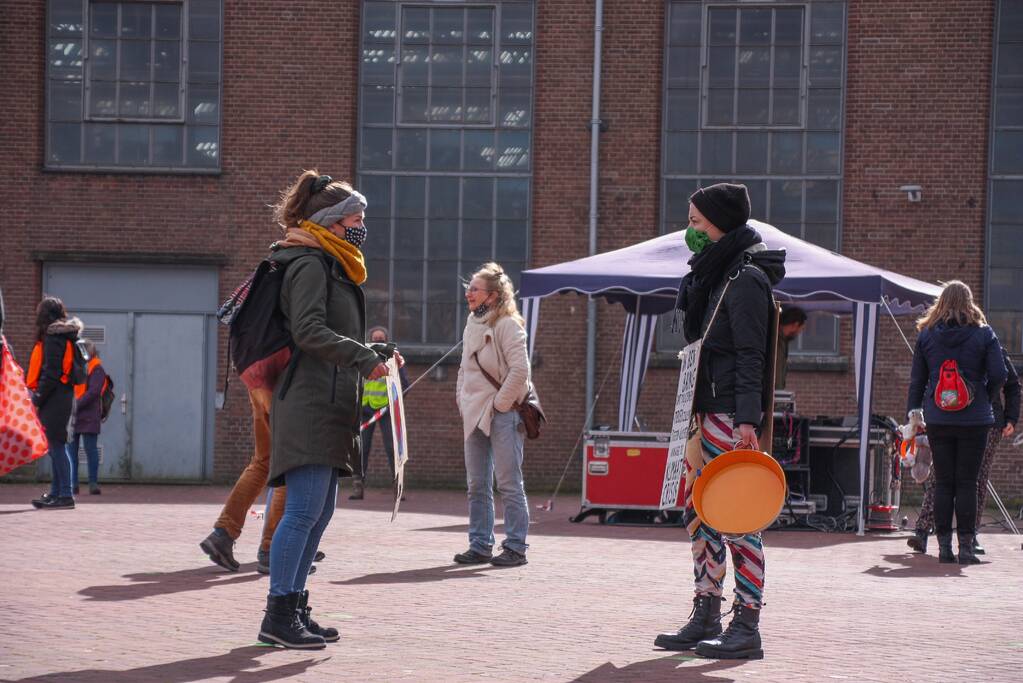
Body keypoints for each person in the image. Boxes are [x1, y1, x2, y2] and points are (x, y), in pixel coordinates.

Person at [257, 170, 401, 650]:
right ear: (333, 221)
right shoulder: (309, 262)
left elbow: (334, 335)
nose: (362, 226)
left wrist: (374, 355)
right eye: (357, 218)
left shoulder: (330, 261)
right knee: (301, 514)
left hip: (333, 399)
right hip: (309, 401)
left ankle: (294, 605)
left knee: (318, 515)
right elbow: (308, 331)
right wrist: (363, 357)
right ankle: (278, 615)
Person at [655, 183, 785, 660]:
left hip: (729, 415)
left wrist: (748, 419)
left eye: (696, 222)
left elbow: (753, 353)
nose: (690, 231)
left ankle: (747, 622)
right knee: (698, 513)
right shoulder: (715, 274)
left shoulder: (745, 278)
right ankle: (706, 609)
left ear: (720, 223)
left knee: (736, 516)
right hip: (702, 409)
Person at [905, 280, 1006, 565]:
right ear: (969, 301)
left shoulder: (926, 336)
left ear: (942, 302)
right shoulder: (984, 334)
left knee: (944, 483)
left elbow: (917, 381)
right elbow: (999, 372)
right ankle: (966, 548)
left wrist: (914, 413)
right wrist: (983, 393)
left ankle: (944, 549)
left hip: (938, 418)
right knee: (968, 483)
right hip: (975, 419)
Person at [454, 262, 532, 568]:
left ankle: (515, 546)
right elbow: (465, 368)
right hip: (474, 411)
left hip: (502, 414)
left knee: (508, 482)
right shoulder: (472, 324)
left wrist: (500, 405)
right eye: (469, 288)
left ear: (493, 295)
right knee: (476, 483)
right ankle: (479, 544)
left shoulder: (508, 325)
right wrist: (462, 398)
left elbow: (521, 370)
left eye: (474, 289)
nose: (468, 293)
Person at [907, 345, 1018, 556]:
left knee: (975, 478)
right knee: (944, 477)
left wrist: (1009, 416)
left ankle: (969, 536)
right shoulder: (950, 342)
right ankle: (925, 530)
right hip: (953, 417)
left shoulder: (990, 344)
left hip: (984, 421)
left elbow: (1009, 382)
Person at [27, 297, 84, 510]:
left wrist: (37, 397)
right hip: (64, 394)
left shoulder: (53, 337)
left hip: (56, 397)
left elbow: (51, 373)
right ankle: (56, 493)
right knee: (56, 446)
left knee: (57, 446)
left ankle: (65, 495)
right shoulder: (64, 335)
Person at [349, 326, 410, 501]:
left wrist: (394, 403)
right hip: (366, 410)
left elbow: (405, 384)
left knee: (393, 449)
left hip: (386, 410)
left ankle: (398, 488)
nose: (378, 342)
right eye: (375, 339)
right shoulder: (363, 357)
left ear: (387, 340)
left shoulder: (392, 359)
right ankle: (358, 488)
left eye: (381, 339)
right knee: (361, 449)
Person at [69, 339, 108, 495]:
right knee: (71, 452)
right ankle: (73, 484)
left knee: (90, 450)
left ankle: (92, 483)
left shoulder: (97, 369)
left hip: (87, 415)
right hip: (76, 414)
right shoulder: (78, 368)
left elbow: (93, 392)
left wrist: (75, 405)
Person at [774, 306, 807, 391]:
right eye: (801, 329)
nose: (799, 333)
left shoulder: (781, 339)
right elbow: (777, 373)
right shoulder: (777, 340)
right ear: (795, 324)